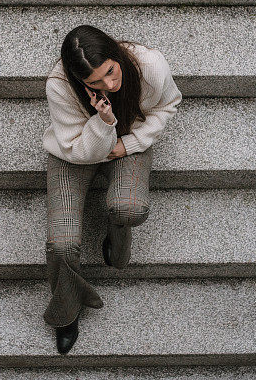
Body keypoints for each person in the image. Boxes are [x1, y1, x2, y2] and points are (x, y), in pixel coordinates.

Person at [41, 24, 183, 354]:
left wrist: (130, 143)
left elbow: (168, 104)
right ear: (81, 82)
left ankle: (114, 236)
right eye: (95, 82)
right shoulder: (60, 87)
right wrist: (103, 121)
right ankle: (66, 312)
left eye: (110, 72)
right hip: (77, 149)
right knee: (62, 245)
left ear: (116, 56)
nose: (109, 84)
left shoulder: (150, 65)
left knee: (129, 208)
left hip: (126, 143)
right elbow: (80, 152)